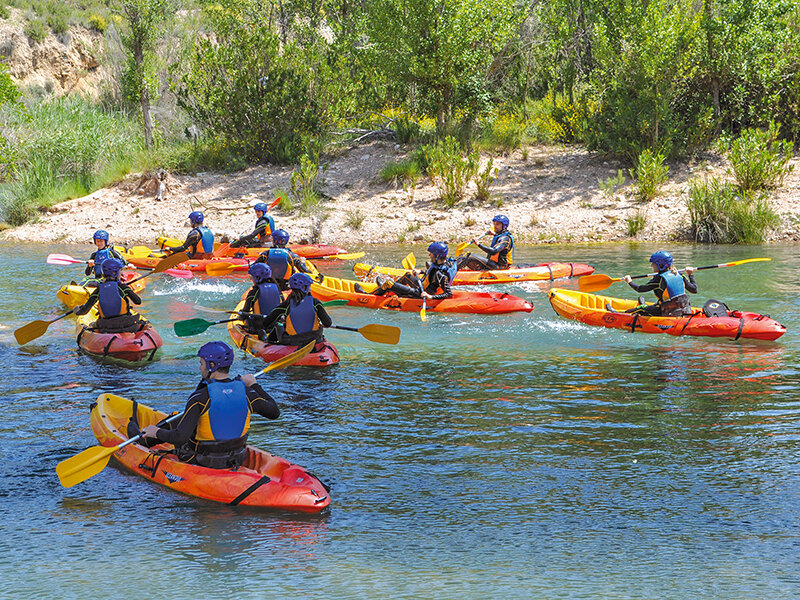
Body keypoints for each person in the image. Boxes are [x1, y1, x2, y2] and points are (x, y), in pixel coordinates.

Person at [136, 341, 280, 469]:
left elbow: (180, 438)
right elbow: (274, 412)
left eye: (201, 363)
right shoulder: (246, 392)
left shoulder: (200, 397)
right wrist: (254, 385)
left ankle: (142, 439)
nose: (200, 368)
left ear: (211, 365)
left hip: (202, 460)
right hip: (236, 458)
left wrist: (156, 432)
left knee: (176, 419)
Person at [260, 273, 332, 346]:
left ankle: (269, 343)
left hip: (293, 341)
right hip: (314, 339)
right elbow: (328, 323)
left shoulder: (286, 305)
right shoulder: (316, 303)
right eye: (309, 286)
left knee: (278, 325)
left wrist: (281, 320)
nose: (310, 288)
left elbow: (266, 323)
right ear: (304, 288)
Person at [617, 251, 697, 317]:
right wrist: (690, 275)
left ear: (660, 265)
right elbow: (694, 290)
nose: (652, 265)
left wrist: (629, 281)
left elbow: (640, 289)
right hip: (683, 310)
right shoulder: (680, 275)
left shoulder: (659, 279)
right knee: (655, 305)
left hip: (665, 312)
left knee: (641, 309)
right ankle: (647, 305)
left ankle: (617, 314)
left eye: (654, 263)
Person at [74, 258, 144, 332]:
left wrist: (76, 309)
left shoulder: (99, 290)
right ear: (115, 273)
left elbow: (84, 311)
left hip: (105, 326)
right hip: (126, 324)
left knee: (93, 324)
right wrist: (127, 290)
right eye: (120, 271)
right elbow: (138, 301)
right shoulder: (123, 287)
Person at [372, 242, 456, 300]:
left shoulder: (440, 274)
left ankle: (369, 295)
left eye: (431, 253)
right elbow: (432, 272)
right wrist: (421, 272)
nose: (429, 255)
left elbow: (449, 294)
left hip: (420, 292)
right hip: (422, 285)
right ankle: (391, 290)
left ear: (437, 255)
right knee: (407, 276)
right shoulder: (446, 263)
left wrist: (430, 297)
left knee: (388, 283)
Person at [241, 262, 283, 339]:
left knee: (247, 318)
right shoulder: (277, 287)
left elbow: (246, 310)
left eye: (251, 277)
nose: (251, 279)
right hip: (274, 324)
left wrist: (241, 315)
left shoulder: (255, 291)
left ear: (257, 277)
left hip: (259, 326)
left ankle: (262, 335)